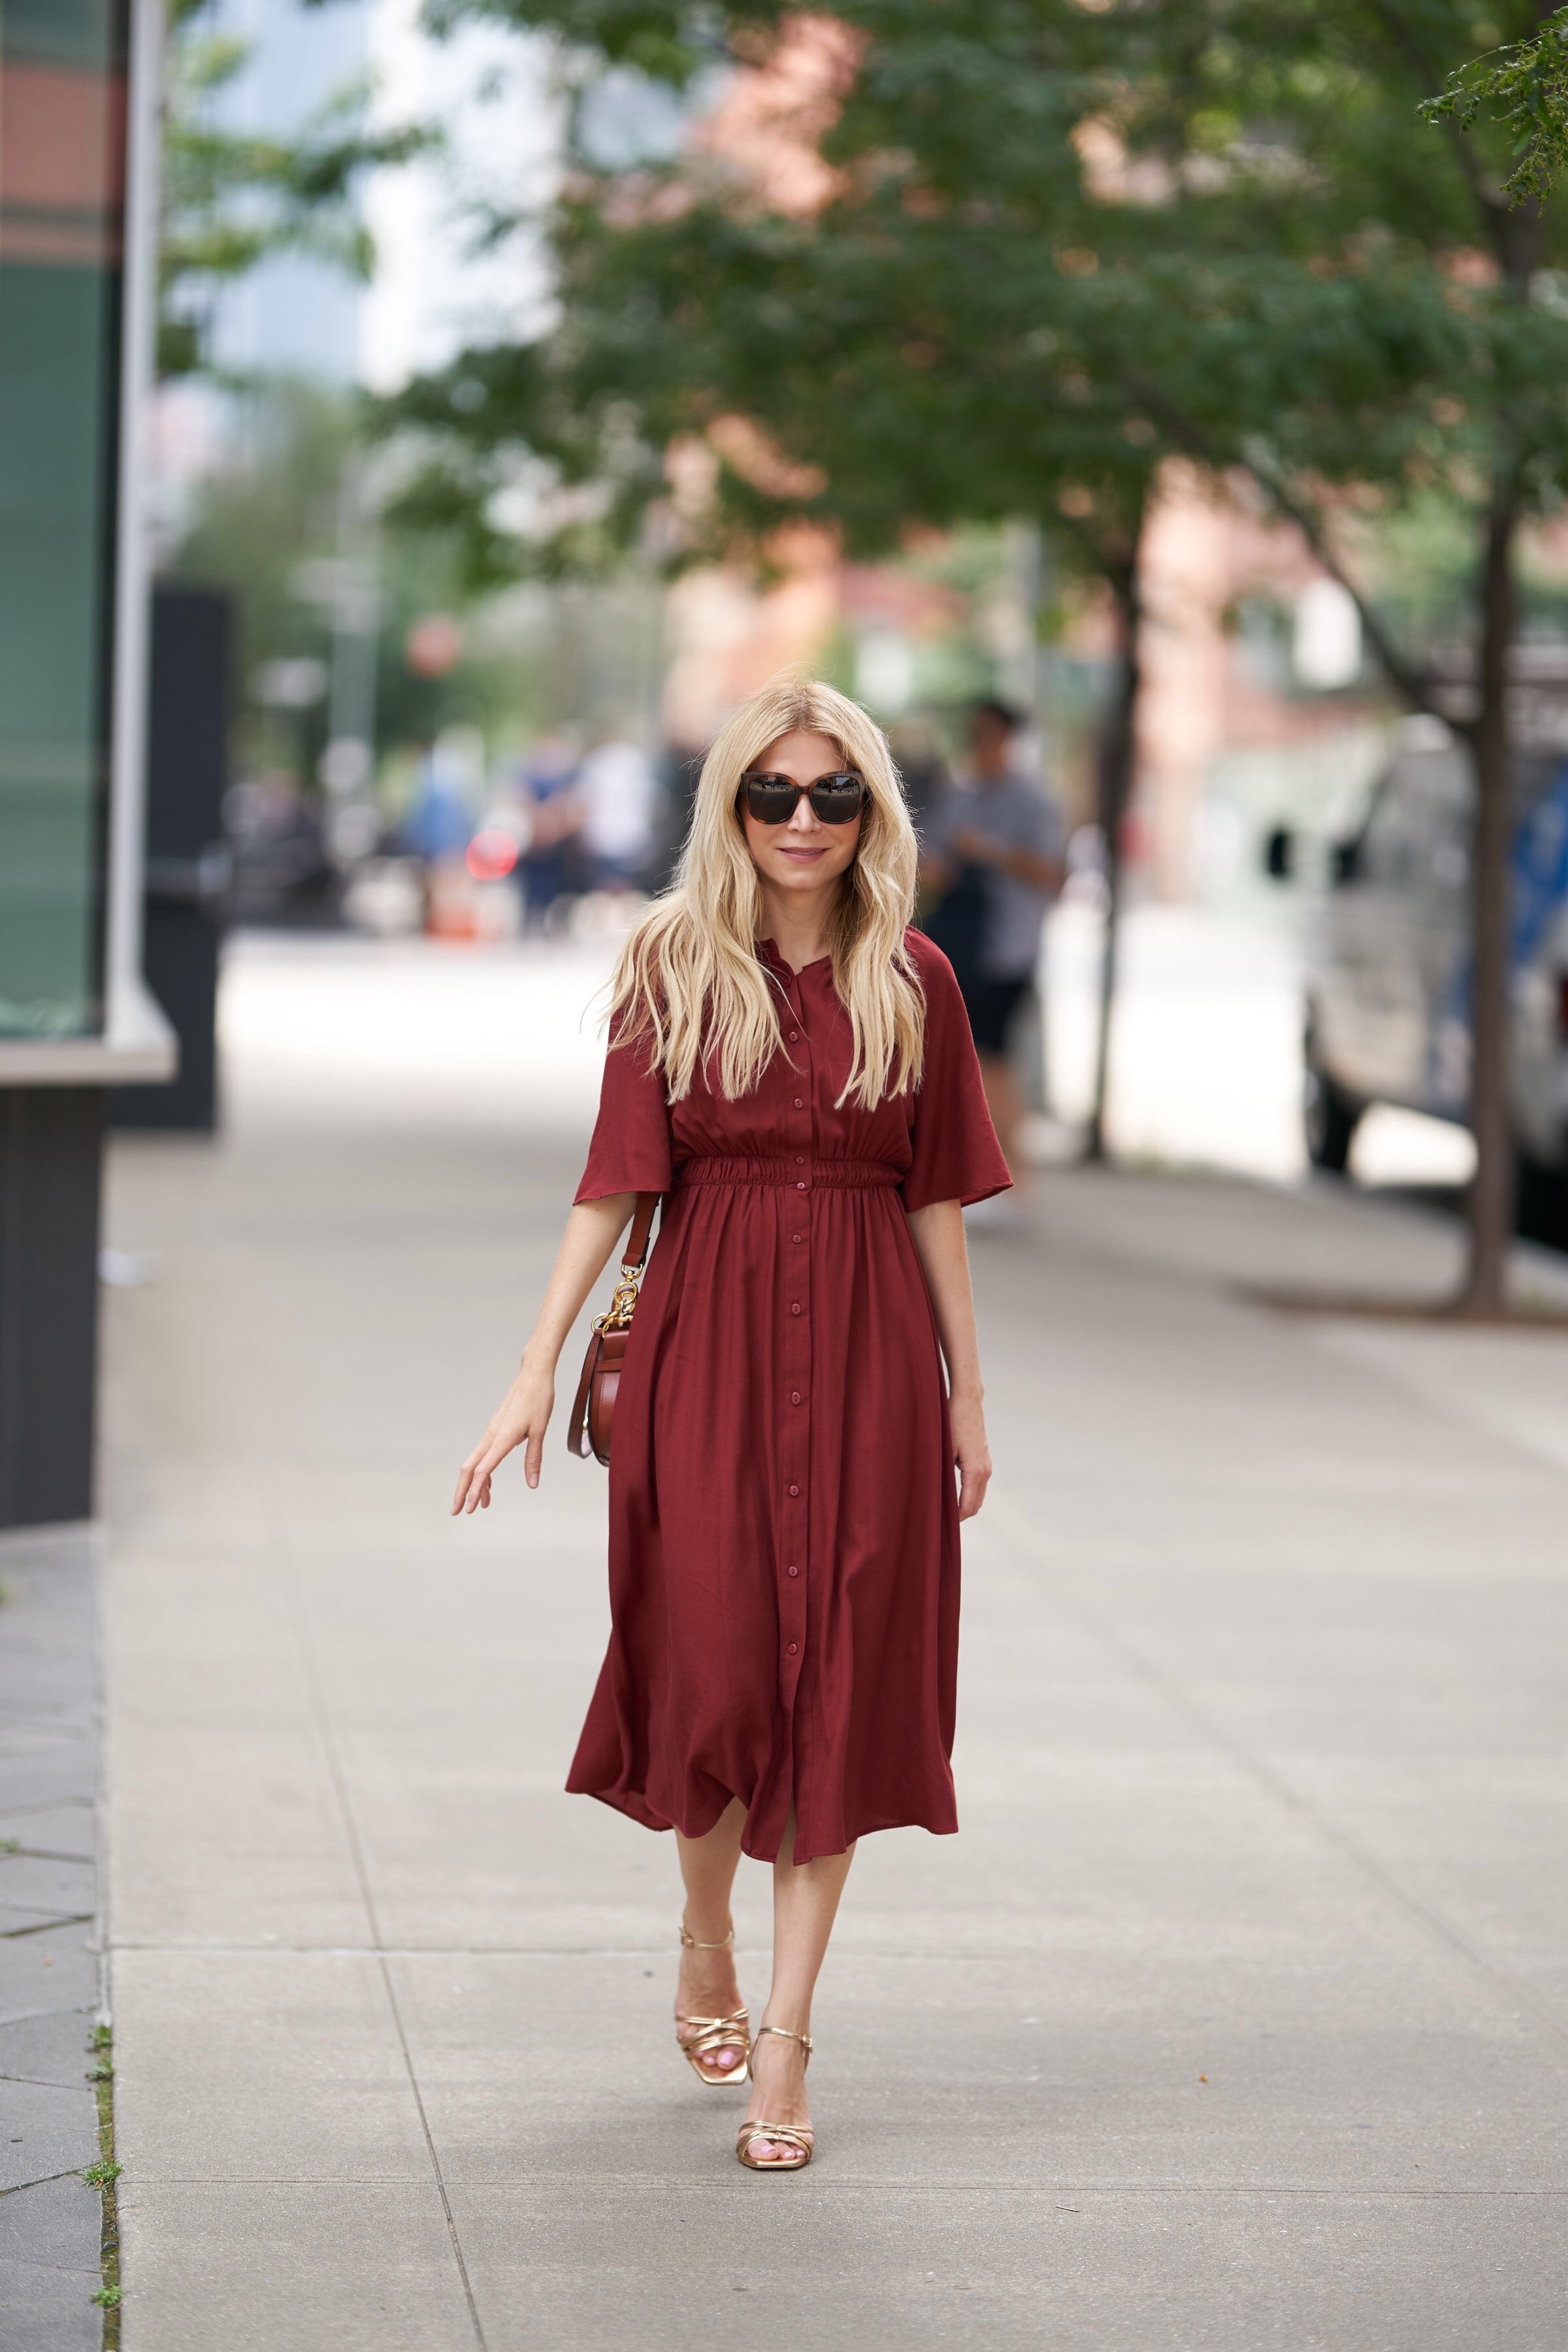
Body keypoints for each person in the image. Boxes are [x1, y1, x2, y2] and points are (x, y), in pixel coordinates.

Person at [452, 678, 1009, 2173]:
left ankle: (785, 2041)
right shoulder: (669, 964)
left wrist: (966, 1392)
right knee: (707, 1669)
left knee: (827, 1670)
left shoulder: (917, 980)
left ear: (871, 809)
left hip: (869, 1355)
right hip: (700, 1348)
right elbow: (613, 1179)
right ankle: (699, 1926)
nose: (805, 820)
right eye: (775, 793)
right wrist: (529, 1367)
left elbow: (937, 1197)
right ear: (731, 807)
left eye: (834, 795)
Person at [919, 699, 1065, 1206]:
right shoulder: (958, 796)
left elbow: (1052, 874)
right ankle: (975, 1181)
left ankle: (1016, 1181)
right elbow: (931, 863)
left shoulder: (1033, 802)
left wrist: (989, 852)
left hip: (1004, 952)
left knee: (995, 1064)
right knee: (953, 1066)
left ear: (1009, 738)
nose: (979, 744)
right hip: (958, 946)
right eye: (973, 733)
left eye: (988, 734)